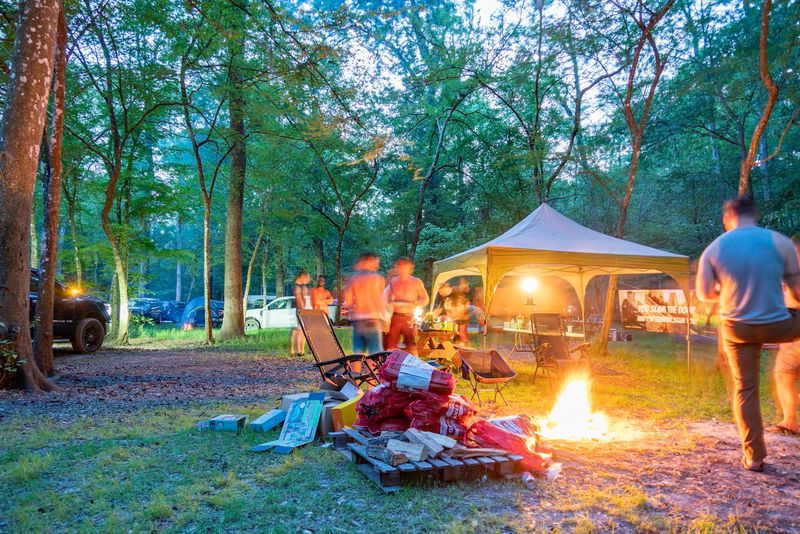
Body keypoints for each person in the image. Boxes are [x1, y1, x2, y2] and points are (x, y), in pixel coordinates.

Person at [696, 197, 800, 471]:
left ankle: (754, 457)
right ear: (755, 215)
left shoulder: (715, 248)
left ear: (727, 218)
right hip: (780, 324)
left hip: (738, 328)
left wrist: (729, 292)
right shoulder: (781, 243)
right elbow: (798, 292)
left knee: (746, 389)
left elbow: (705, 294)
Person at [770, 240, 800, 436]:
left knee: (784, 373)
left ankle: (790, 420)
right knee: (783, 374)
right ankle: (789, 420)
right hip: (793, 328)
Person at [343, 252, 386, 356]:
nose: (377, 265)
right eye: (376, 263)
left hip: (358, 319)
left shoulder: (353, 279)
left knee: (357, 352)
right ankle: (372, 372)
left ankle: (355, 372)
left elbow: (347, 302)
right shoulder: (378, 279)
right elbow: (381, 301)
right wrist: (385, 320)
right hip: (373, 318)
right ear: (368, 262)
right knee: (375, 352)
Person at [383, 257, 429, 353]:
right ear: (396, 267)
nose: (402, 269)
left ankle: (414, 366)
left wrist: (415, 304)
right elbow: (385, 301)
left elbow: (425, 299)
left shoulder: (416, 282)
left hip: (408, 318)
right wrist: (386, 320)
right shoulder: (393, 281)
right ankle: (389, 366)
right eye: (399, 266)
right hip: (394, 317)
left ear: (410, 268)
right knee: (390, 346)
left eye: (404, 266)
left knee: (411, 345)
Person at [290, 271, 312, 356]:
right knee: (300, 331)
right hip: (302, 311)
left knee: (303, 331)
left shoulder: (302, 287)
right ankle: (299, 351)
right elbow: (299, 302)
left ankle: (302, 350)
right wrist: (304, 311)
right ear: (302, 276)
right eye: (307, 277)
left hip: (304, 311)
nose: (308, 279)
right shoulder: (297, 288)